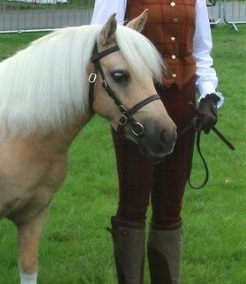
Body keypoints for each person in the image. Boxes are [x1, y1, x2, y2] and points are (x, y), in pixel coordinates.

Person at [91, 0, 224, 283]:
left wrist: (209, 96)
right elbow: (98, 40)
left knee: (170, 206)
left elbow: (200, 51)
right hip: (136, 106)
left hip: (182, 105)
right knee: (133, 204)